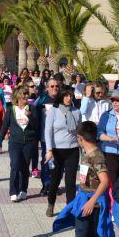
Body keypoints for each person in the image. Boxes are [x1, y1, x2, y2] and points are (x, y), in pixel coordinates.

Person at [52, 121, 113, 237]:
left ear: (80, 138)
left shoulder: (96, 156)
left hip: (93, 203)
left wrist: (92, 201)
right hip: (83, 200)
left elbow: (105, 181)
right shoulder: (86, 154)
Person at [0, 87, 40, 202]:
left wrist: (30, 115)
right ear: (17, 97)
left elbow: (37, 126)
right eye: (24, 94)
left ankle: (23, 190)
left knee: (25, 167)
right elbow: (4, 127)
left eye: (27, 94)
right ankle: (13, 191)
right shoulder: (11, 110)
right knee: (15, 165)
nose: (26, 96)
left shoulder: (32, 108)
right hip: (15, 142)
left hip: (29, 142)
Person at [44, 88, 82, 217]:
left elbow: (79, 131)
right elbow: (48, 131)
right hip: (57, 151)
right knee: (55, 179)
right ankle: (51, 204)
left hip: (73, 150)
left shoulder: (76, 112)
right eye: (66, 96)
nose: (68, 98)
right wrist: (49, 150)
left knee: (70, 181)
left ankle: (70, 208)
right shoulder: (54, 111)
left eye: (70, 96)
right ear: (61, 97)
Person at [34, 78, 61, 196]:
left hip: (61, 138)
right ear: (47, 88)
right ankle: (46, 184)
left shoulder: (63, 99)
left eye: (56, 86)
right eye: (52, 86)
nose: (54, 88)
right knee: (46, 161)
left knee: (59, 163)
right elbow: (34, 115)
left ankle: (54, 184)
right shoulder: (41, 100)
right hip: (46, 137)